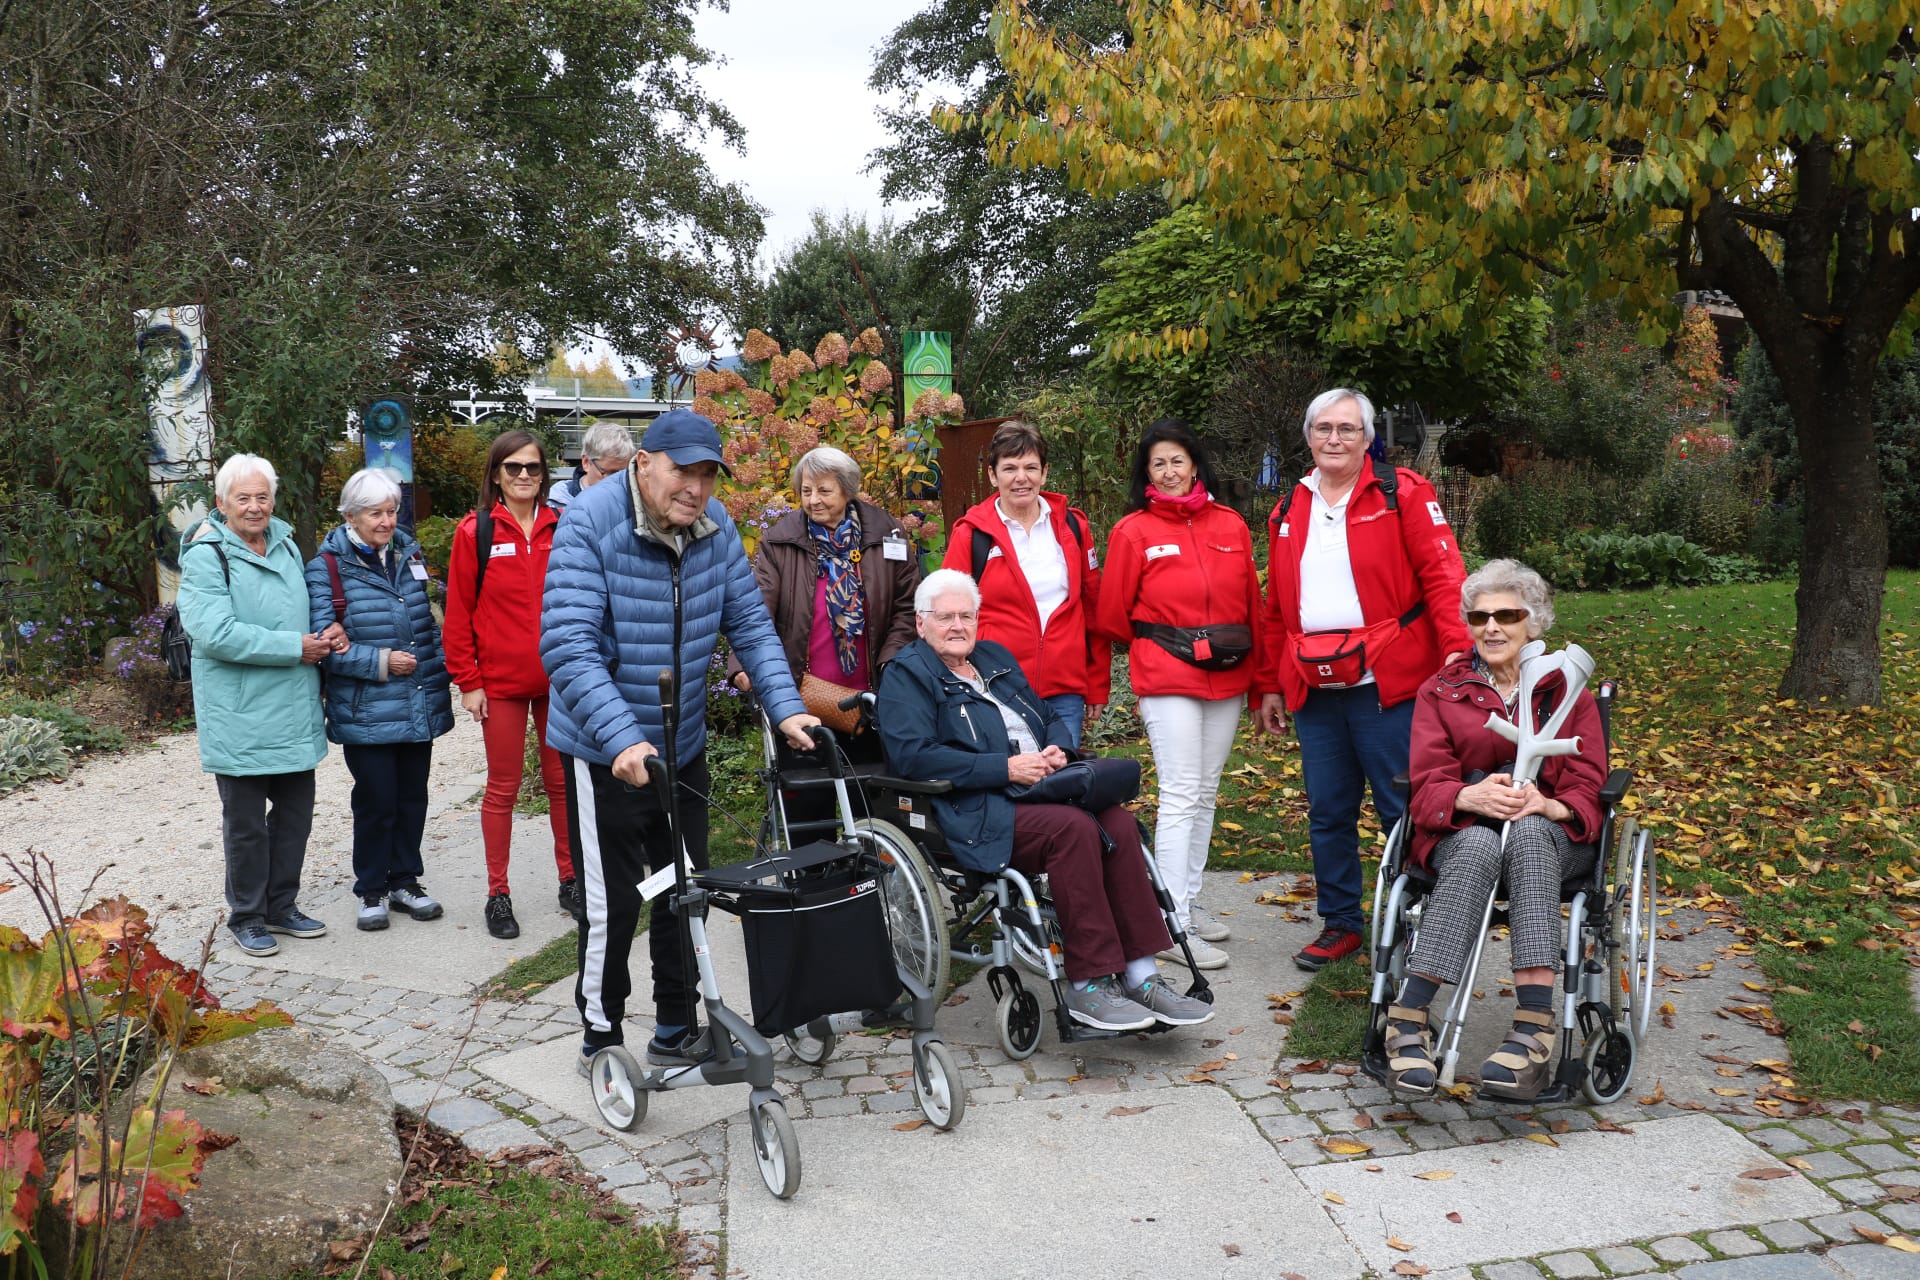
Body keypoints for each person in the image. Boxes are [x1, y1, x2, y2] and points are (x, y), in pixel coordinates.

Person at [541, 407, 821, 1070]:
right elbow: (570, 646)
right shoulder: (590, 522)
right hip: (602, 751)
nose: (694, 488)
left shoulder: (715, 525)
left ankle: (674, 1028)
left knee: (680, 888)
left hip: (681, 742)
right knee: (613, 905)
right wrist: (621, 741)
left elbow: (750, 626)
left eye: (706, 475)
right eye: (681, 472)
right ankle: (601, 1037)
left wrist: (785, 708)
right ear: (644, 464)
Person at [878, 569, 1214, 1032]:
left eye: (966, 616)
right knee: (1073, 830)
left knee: (1115, 823)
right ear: (921, 623)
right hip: (974, 806)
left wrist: (1059, 749)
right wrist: (1005, 767)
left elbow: (1049, 714)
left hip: (1040, 787)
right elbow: (913, 757)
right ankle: (1089, 985)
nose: (957, 626)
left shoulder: (992, 657)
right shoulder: (907, 674)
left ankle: (1142, 977)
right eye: (945, 617)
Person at [1257, 389, 1470, 972]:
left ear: (1367, 437)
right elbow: (1276, 608)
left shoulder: (1402, 493)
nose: (1334, 439)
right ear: (1308, 437)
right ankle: (1342, 923)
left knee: (1401, 806)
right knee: (1328, 810)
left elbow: (1445, 577)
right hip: (1316, 690)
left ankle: (1416, 918)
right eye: (1324, 428)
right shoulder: (1287, 509)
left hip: (1391, 685)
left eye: (1347, 429)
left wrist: (1457, 656)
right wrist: (1270, 685)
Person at [1382, 560, 1605, 1101]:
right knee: (1481, 844)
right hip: (1462, 830)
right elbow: (1426, 776)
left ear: (1535, 621)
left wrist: (1552, 807)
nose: (1492, 627)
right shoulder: (1443, 690)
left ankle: (1532, 1030)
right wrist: (1466, 795)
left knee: (1527, 838)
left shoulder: (1565, 688)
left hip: (1550, 836)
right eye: (1480, 616)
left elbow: (1589, 777)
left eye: (1508, 614)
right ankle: (1407, 1018)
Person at [1095, 419, 1261, 972]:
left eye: (1177, 461)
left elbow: (1252, 606)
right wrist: (1169, 638)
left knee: (1207, 791)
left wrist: (1264, 682)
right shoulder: (1132, 531)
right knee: (1182, 791)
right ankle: (1169, 925)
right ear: (1146, 472)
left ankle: (1186, 903)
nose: (1169, 472)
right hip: (1167, 672)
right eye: (1157, 463)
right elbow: (1114, 615)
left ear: (1195, 464)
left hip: (1229, 673)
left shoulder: (1231, 525)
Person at [176, 453, 340, 958]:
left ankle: (281, 905)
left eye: (262, 496)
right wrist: (296, 647)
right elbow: (214, 633)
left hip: (293, 707)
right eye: (242, 498)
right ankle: (246, 915)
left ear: (273, 499)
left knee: (296, 817)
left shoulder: (286, 546)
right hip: (240, 714)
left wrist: (327, 631)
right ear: (221, 502)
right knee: (246, 827)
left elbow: (306, 609)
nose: (253, 507)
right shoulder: (207, 554)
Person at [306, 468, 455, 932]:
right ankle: (371, 888)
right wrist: (382, 661)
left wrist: (444, 663)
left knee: (413, 796)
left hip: (417, 699)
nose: (387, 521)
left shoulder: (409, 552)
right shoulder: (326, 567)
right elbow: (327, 645)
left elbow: (427, 621)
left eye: (391, 511)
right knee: (376, 799)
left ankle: (405, 881)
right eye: (376, 513)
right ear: (350, 515)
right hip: (366, 707)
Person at [444, 429, 574, 940]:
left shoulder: (563, 525)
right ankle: (498, 893)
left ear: (545, 476)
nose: (523, 475)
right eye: (513, 467)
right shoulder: (474, 531)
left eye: (533, 468)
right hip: (498, 683)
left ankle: (570, 880)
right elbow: (459, 614)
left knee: (561, 784)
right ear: (496, 473)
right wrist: (468, 681)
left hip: (560, 681)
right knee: (503, 788)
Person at [727, 445, 921, 769]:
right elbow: (756, 609)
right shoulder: (780, 540)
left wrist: (891, 664)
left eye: (823, 490)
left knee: (868, 807)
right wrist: (742, 665)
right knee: (807, 807)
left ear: (847, 490)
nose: (813, 499)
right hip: (802, 699)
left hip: (872, 700)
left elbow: (908, 607)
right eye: (806, 490)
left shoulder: (889, 535)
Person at [942, 419, 1107, 749]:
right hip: (995, 690)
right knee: (1010, 789)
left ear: (1044, 473)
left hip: (1064, 692)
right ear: (992, 475)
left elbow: (1093, 610)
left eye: (1031, 467)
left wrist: (1097, 683)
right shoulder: (972, 535)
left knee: (1062, 789)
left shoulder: (1073, 527)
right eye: (1010, 468)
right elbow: (948, 615)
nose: (1021, 478)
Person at [548, 421, 638, 512]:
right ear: (586, 462)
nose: (617, 482)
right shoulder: (557, 504)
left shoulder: (636, 502)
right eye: (610, 473)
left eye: (624, 474)